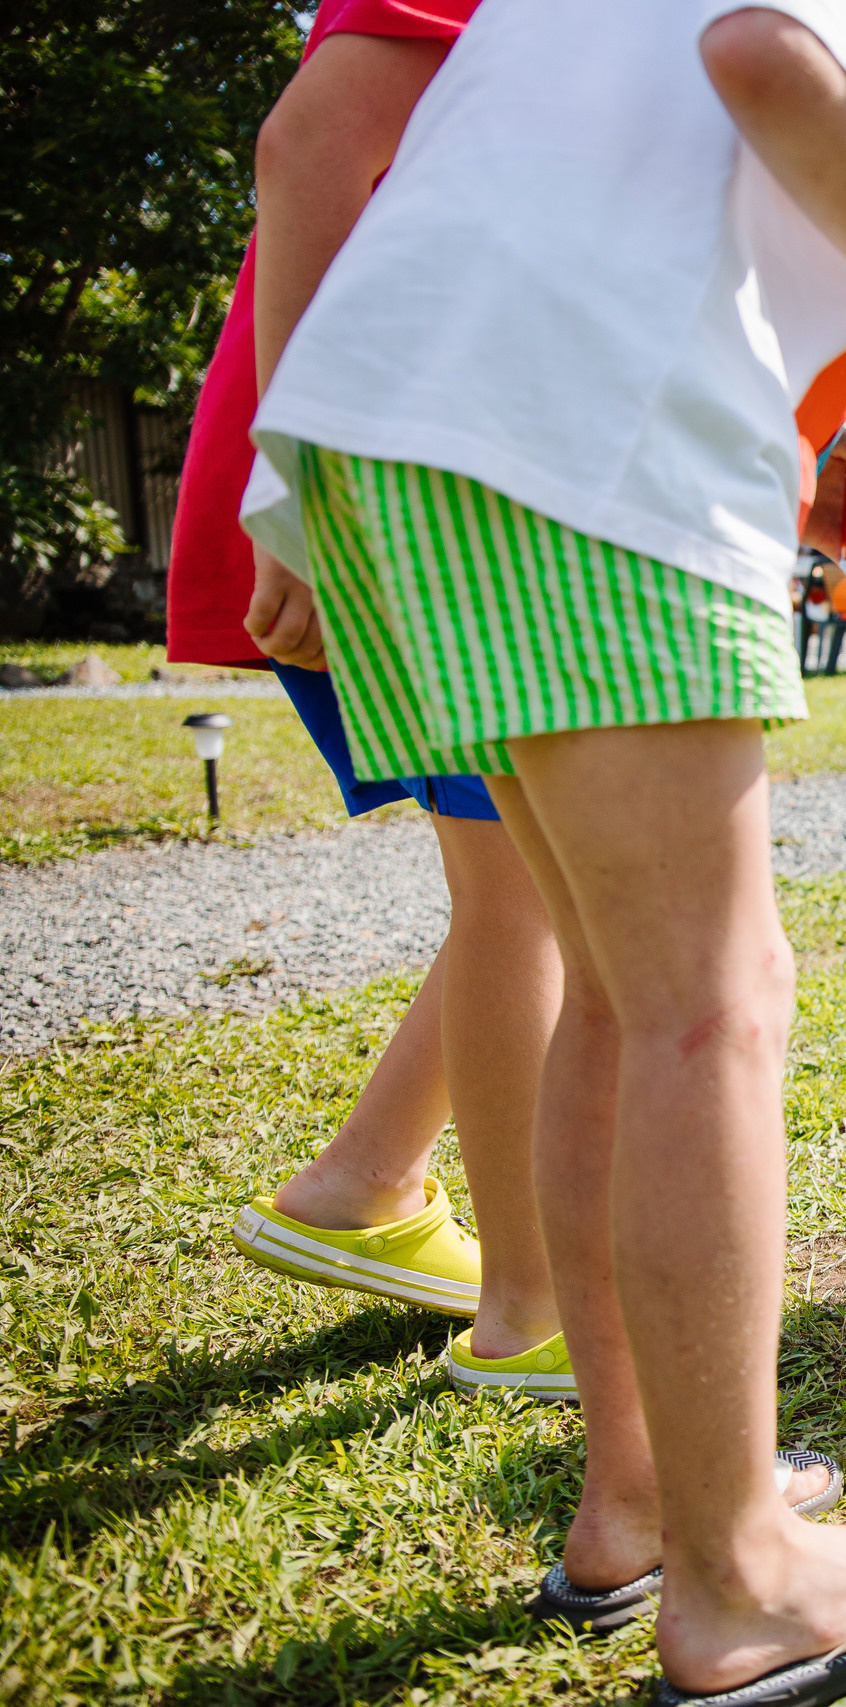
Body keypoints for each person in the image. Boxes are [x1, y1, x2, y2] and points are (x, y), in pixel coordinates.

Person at [238, 0, 846, 1697]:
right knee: (709, 997)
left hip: (398, 408)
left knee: (617, 991)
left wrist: (290, 496)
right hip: (577, 411)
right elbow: (773, 57)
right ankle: (744, 1573)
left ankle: (638, 1497)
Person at [166, 0, 569, 1400]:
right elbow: (311, 143)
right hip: (379, 491)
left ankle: (363, 1182)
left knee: (523, 871)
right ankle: (533, 1303)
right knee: (524, 881)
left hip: (428, 476)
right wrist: (308, 500)